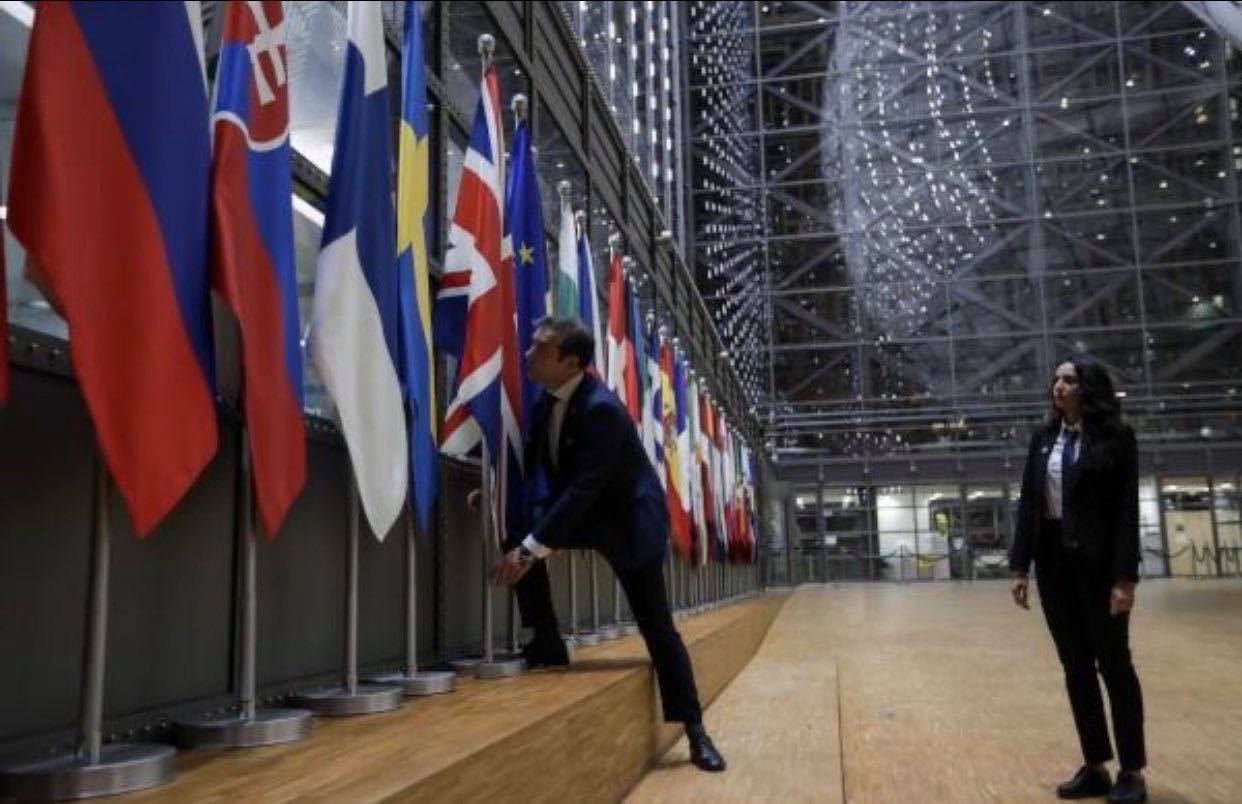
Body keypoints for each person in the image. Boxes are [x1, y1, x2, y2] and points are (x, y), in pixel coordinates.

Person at [490, 316, 726, 773]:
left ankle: (695, 731)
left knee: (657, 626)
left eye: (540, 349)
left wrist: (532, 549)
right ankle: (546, 643)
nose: (528, 355)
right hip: (586, 511)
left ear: (571, 362)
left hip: (628, 522)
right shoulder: (544, 401)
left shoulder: (603, 409)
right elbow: (536, 470)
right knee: (515, 536)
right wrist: (503, 506)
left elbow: (585, 488)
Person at [1009, 358, 1147, 803]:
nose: (1058, 386)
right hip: (1054, 567)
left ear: (1088, 387)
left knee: (1115, 666)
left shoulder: (1117, 437)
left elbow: (1126, 511)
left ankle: (1131, 770)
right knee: (1076, 668)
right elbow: (1030, 504)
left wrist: (1125, 577)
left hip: (1100, 569)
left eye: (1068, 380)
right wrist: (1020, 567)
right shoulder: (1043, 438)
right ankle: (1095, 765)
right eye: (1056, 379)